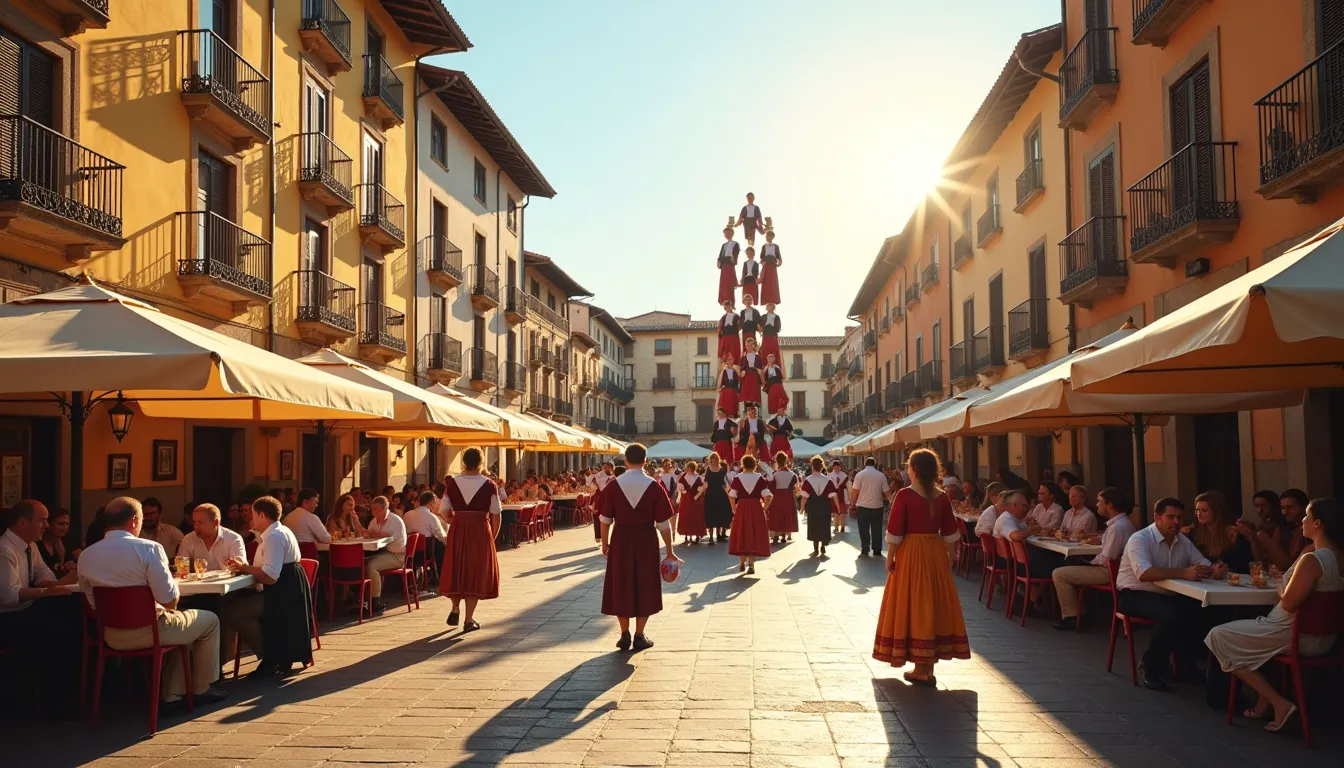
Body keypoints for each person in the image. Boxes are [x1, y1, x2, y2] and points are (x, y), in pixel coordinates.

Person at [1205, 498, 1343, 733]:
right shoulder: (1336, 555)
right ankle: (1265, 699)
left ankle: (1276, 701)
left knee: (1218, 635)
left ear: (1318, 523)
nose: (1302, 521)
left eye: (1306, 516)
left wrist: (1281, 587)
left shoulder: (1314, 559)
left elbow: (1288, 603)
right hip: (1327, 638)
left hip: (1294, 634)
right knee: (1236, 632)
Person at [78, 497, 227, 712]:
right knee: (210, 620)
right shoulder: (149, 549)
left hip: (110, 635)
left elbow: (92, 602)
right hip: (151, 630)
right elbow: (169, 601)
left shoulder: (87, 555)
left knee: (182, 630)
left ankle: (173, 695)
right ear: (134, 520)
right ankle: (201, 688)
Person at [873, 449, 969, 685]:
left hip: (911, 553)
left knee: (914, 604)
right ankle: (928, 667)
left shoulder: (904, 496)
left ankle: (920, 668)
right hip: (934, 552)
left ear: (913, 469)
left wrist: (890, 558)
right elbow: (950, 533)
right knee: (932, 605)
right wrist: (949, 558)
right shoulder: (942, 496)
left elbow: (895, 531)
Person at [1117, 497, 1226, 691]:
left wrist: (1214, 570)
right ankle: (1150, 666)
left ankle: (1185, 664)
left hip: (1169, 595)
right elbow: (1144, 573)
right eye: (1170, 517)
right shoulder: (1140, 539)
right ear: (1157, 517)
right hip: (1134, 594)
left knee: (1206, 611)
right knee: (1173, 616)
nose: (1176, 522)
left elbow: (1200, 561)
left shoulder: (1182, 540)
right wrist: (1184, 572)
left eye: (1179, 517)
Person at [0, 500, 82, 717]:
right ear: (23, 522)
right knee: (58, 632)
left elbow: (46, 578)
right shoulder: (5, 548)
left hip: (23, 611)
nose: (46, 525)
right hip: (7, 617)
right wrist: (46, 592)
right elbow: (10, 595)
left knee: (73, 617)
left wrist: (69, 576)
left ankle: (76, 694)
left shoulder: (31, 547)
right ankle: (55, 704)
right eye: (42, 520)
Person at [222, 496, 311, 678]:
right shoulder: (280, 531)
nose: (250, 519)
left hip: (282, 596)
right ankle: (273, 654)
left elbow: (270, 576)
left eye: (253, 515)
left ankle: (271, 656)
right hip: (289, 591)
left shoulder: (273, 536)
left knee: (233, 613)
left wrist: (245, 568)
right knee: (235, 607)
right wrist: (244, 568)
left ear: (262, 515)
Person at [599, 443, 677, 651]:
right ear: (645, 460)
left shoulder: (613, 485)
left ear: (625, 460)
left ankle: (624, 634)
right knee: (645, 583)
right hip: (645, 538)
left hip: (621, 538)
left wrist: (604, 543)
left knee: (620, 583)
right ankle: (639, 634)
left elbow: (605, 518)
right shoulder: (654, 485)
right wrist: (669, 550)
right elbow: (664, 524)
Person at [1051, 487, 1137, 631]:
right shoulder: (1120, 524)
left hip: (1110, 572)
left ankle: (1072, 616)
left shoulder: (1117, 527)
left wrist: (1089, 562)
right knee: (1070, 565)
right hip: (1114, 569)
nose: (1096, 505)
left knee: (1059, 574)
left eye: (1099, 502)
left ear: (1109, 505)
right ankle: (1082, 612)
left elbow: (1108, 558)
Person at [440, 448, 502, 631]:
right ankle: (468, 620)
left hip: (459, 527)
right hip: (480, 528)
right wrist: (494, 535)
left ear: (464, 462)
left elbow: (443, 510)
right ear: (481, 463)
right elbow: (496, 513)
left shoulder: (452, 483)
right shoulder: (490, 484)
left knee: (457, 567)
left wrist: (454, 520)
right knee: (475, 571)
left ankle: (455, 607)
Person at [1188, 490, 1253, 574]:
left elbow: (1244, 566)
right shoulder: (1194, 534)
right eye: (1197, 510)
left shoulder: (1233, 534)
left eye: (1204, 510)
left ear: (1216, 512)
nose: (1199, 514)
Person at [728, 455, 773, 574]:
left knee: (742, 532)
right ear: (754, 465)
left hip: (742, 507)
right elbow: (768, 496)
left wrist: (733, 507)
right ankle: (751, 565)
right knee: (754, 533)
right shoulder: (759, 478)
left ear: (743, 464)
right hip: (756, 507)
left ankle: (742, 562)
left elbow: (731, 495)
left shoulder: (737, 478)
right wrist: (765, 508)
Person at [362, 496, 407, 616]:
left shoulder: (395, 520)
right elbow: (369, 535)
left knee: (372, 566)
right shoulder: (374, 521)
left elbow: (387, 537)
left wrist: (371, 533)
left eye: (376, 509)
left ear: (385, 508)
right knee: (361, 564)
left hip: (397, 555)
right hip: (383, 553)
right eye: (372, 509)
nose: (373, 512)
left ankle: (375, 602)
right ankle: (363, 600)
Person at [178, 504, 246, 572]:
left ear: (216, 523)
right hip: (196, 582)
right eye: (194, 522)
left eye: (200, 523)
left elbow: (240, 569)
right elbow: (181, 570)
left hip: (226, 582)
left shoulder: (233, 539)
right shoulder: (188, 540)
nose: (196, 527)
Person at [851, 457, 893, 558]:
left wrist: (852, 504)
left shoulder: (859, 475)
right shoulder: (881, 475)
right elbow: (886, 491)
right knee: (877, 528)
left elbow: (855, 491)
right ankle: (877, 549)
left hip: (862, 506)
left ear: (865, 464)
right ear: (875, 464)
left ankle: (865, 548)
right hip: (877, 506)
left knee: (863, 528)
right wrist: (892, 502)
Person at [800, 457, 839, 556]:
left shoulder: (808, 480)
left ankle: (816, 548)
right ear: (822, 467)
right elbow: (834, 496)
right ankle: (823, 545)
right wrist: (838, 508)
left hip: (813, 505)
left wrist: (802, 508)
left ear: (812, 467)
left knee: (814, 526)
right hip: (825, 505)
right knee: (824, 525)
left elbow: (804, 497)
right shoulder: (828, 480)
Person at [405, 490, 448, 576]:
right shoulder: (431, 517)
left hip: (409, 551)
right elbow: (441, 536)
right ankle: (442, 576)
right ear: (432, 503)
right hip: (424, 552)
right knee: (442, 546)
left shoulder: (407, 515)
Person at [767, 451, 799, 545]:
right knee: (786, 515)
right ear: (786, 461)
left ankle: (776, 535)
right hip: (788, 496)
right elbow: (796, 488)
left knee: (776, 515)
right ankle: (784, 535)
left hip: (776, 496)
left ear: (777, 461)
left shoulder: (774, 474)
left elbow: (770, 487)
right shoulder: (793, 474)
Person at [38, 507, 78, 579]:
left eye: (67, 524)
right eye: (60, 524)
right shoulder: (38, 543)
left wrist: (69, 565)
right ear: (49, 524)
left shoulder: (66, 542)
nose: (64, 528)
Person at [703, 453, 733, 544]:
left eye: (714, 459)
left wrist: (728, 493)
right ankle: (711, 537)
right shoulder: (707, 470)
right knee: (710, 515)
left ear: (717, 460)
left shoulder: (722, 470)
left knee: (720, 514)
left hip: (721, 494)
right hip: (710, 494)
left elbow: (725, 484)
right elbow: (705, 482)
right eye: (711, 459)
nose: (712, 461)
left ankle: (719, 535)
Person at [676, 461, 708, 544]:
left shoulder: (695, 477)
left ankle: (693, 534)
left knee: (693, 516)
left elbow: (701, 488)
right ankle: (690, 534)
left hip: (692, 500)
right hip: (690, 500)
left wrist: (696, 494)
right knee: (691, 516)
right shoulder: (686, 477)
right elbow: (680, 489)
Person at [717, 227, 741, 305]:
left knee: (729, 284)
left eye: (727, 233)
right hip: (724, 265)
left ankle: (730, 301)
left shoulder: (735, 243)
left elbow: (736, 253)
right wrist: (719, 261)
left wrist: (734, 260)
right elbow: (720, 255)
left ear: (731, 233)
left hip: (730, 264)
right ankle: (723, 300)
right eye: (725, 234)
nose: (726, 235)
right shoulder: (724, 245)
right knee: (724, 284)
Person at [759, 229, 782, 306]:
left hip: (772, 265)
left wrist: (779, 263)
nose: (768, 238)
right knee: (765, 282)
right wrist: (762, 263)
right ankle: (765, 300)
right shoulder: (764, 246)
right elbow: (761, 257)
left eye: (769, 236)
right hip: (766, 265)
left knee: (773, 282)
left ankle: (773, 299)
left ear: (772, 237)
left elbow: (779, 257)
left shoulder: (776, 246)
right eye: (767, 236)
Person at [828, 461, 850, 534]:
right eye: (835, 467)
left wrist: (849, 496)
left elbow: (848, 486)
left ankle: (842, 527)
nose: (837, 468)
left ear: (840, 467)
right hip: (834, 496)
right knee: (836, 513)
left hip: (842, 495)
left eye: (838, 467)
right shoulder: (829, 475)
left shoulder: (844, 475)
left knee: (842, 512)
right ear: (833, 467)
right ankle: (836, 526)